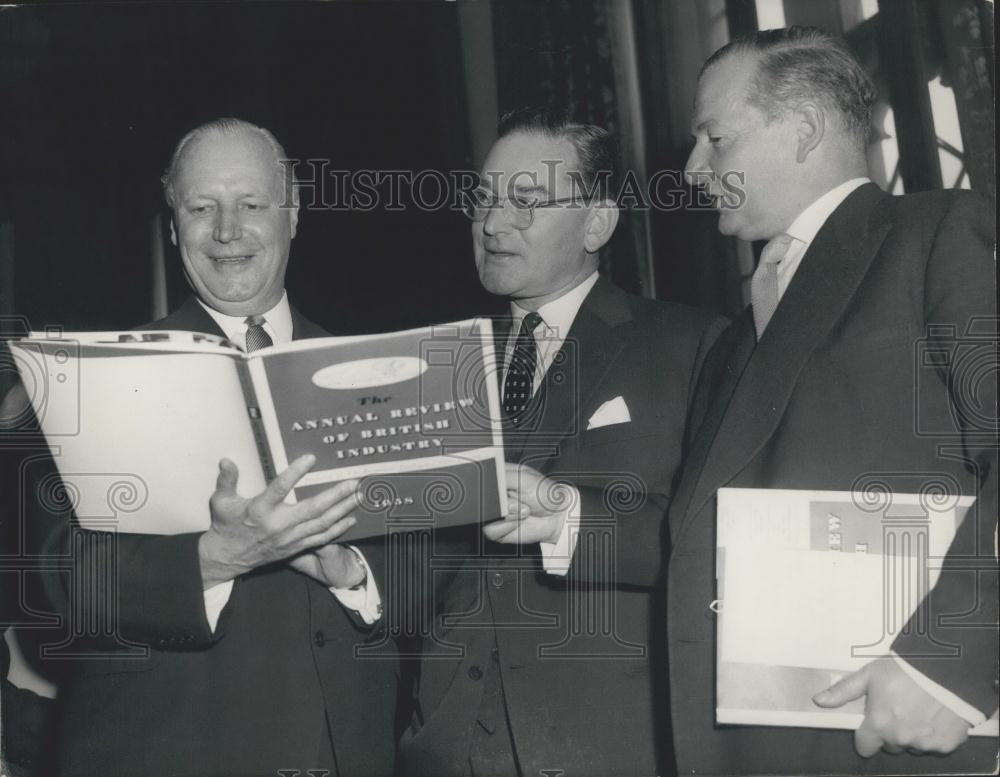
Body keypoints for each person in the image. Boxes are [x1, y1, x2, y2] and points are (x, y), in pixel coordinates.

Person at [603, 27, 996, 775]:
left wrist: (948, 658)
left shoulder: (940, 234)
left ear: (806, 129)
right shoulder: (731, 341)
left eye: (714, 139)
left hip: (902, 739)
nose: (691, 169)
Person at [1, 119, 398, 777]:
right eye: (201, 207)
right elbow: (64, 581)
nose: (226, 230)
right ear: (172, 226)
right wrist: (213, 559)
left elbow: (439, 575)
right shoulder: (93, 376)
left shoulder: (373, 374)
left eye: (250, 204)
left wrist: (355, 576)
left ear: (293, 212)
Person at [399, 108, 726, 777]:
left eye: (525, 202)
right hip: (444, 745)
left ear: (597, 223)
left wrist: (570, 517)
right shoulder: (430, 362)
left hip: (613, 745)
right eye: (484, 200)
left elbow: (714, 541)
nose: (492, 224)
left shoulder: (694, 346)